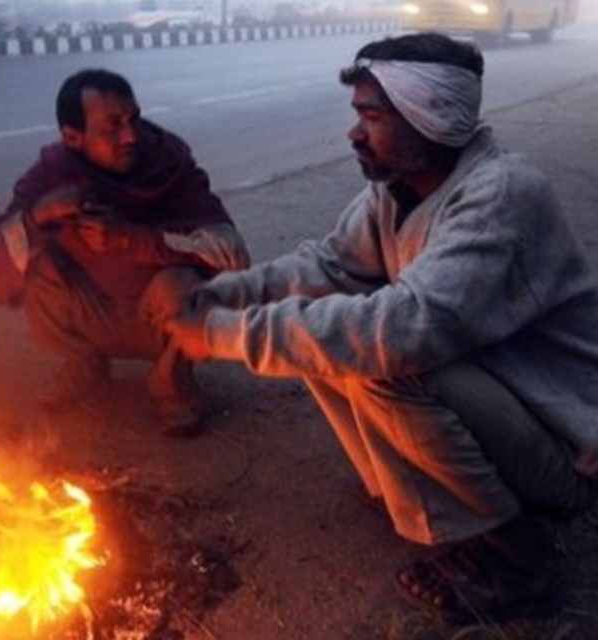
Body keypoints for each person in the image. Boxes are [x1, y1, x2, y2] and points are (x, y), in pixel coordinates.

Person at [165, 32, 598, 623]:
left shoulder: (503, 195)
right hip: (502, 406)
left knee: (382, 357)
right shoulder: (394, 191)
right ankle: (408, 490)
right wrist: (218, 295)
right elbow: (329, 265)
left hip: (564, 448)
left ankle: (513, 556)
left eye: (372, 115)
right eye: (359, 115)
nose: (355, 132)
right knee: (338, 313)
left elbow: (401, 332)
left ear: (432, 118)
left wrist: (221, 335)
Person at [0, 68, 249, 424]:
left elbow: (233, 255)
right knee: (35, 254)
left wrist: (132, 238)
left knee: (185, 283)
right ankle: (84, 364)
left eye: (133, 120)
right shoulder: (52, 174)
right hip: (90, 310)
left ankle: (172, 380)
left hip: (159, 315)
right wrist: (39, 216)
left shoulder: (168, 164)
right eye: (111, 126)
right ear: (73, 137)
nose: (130, 136)